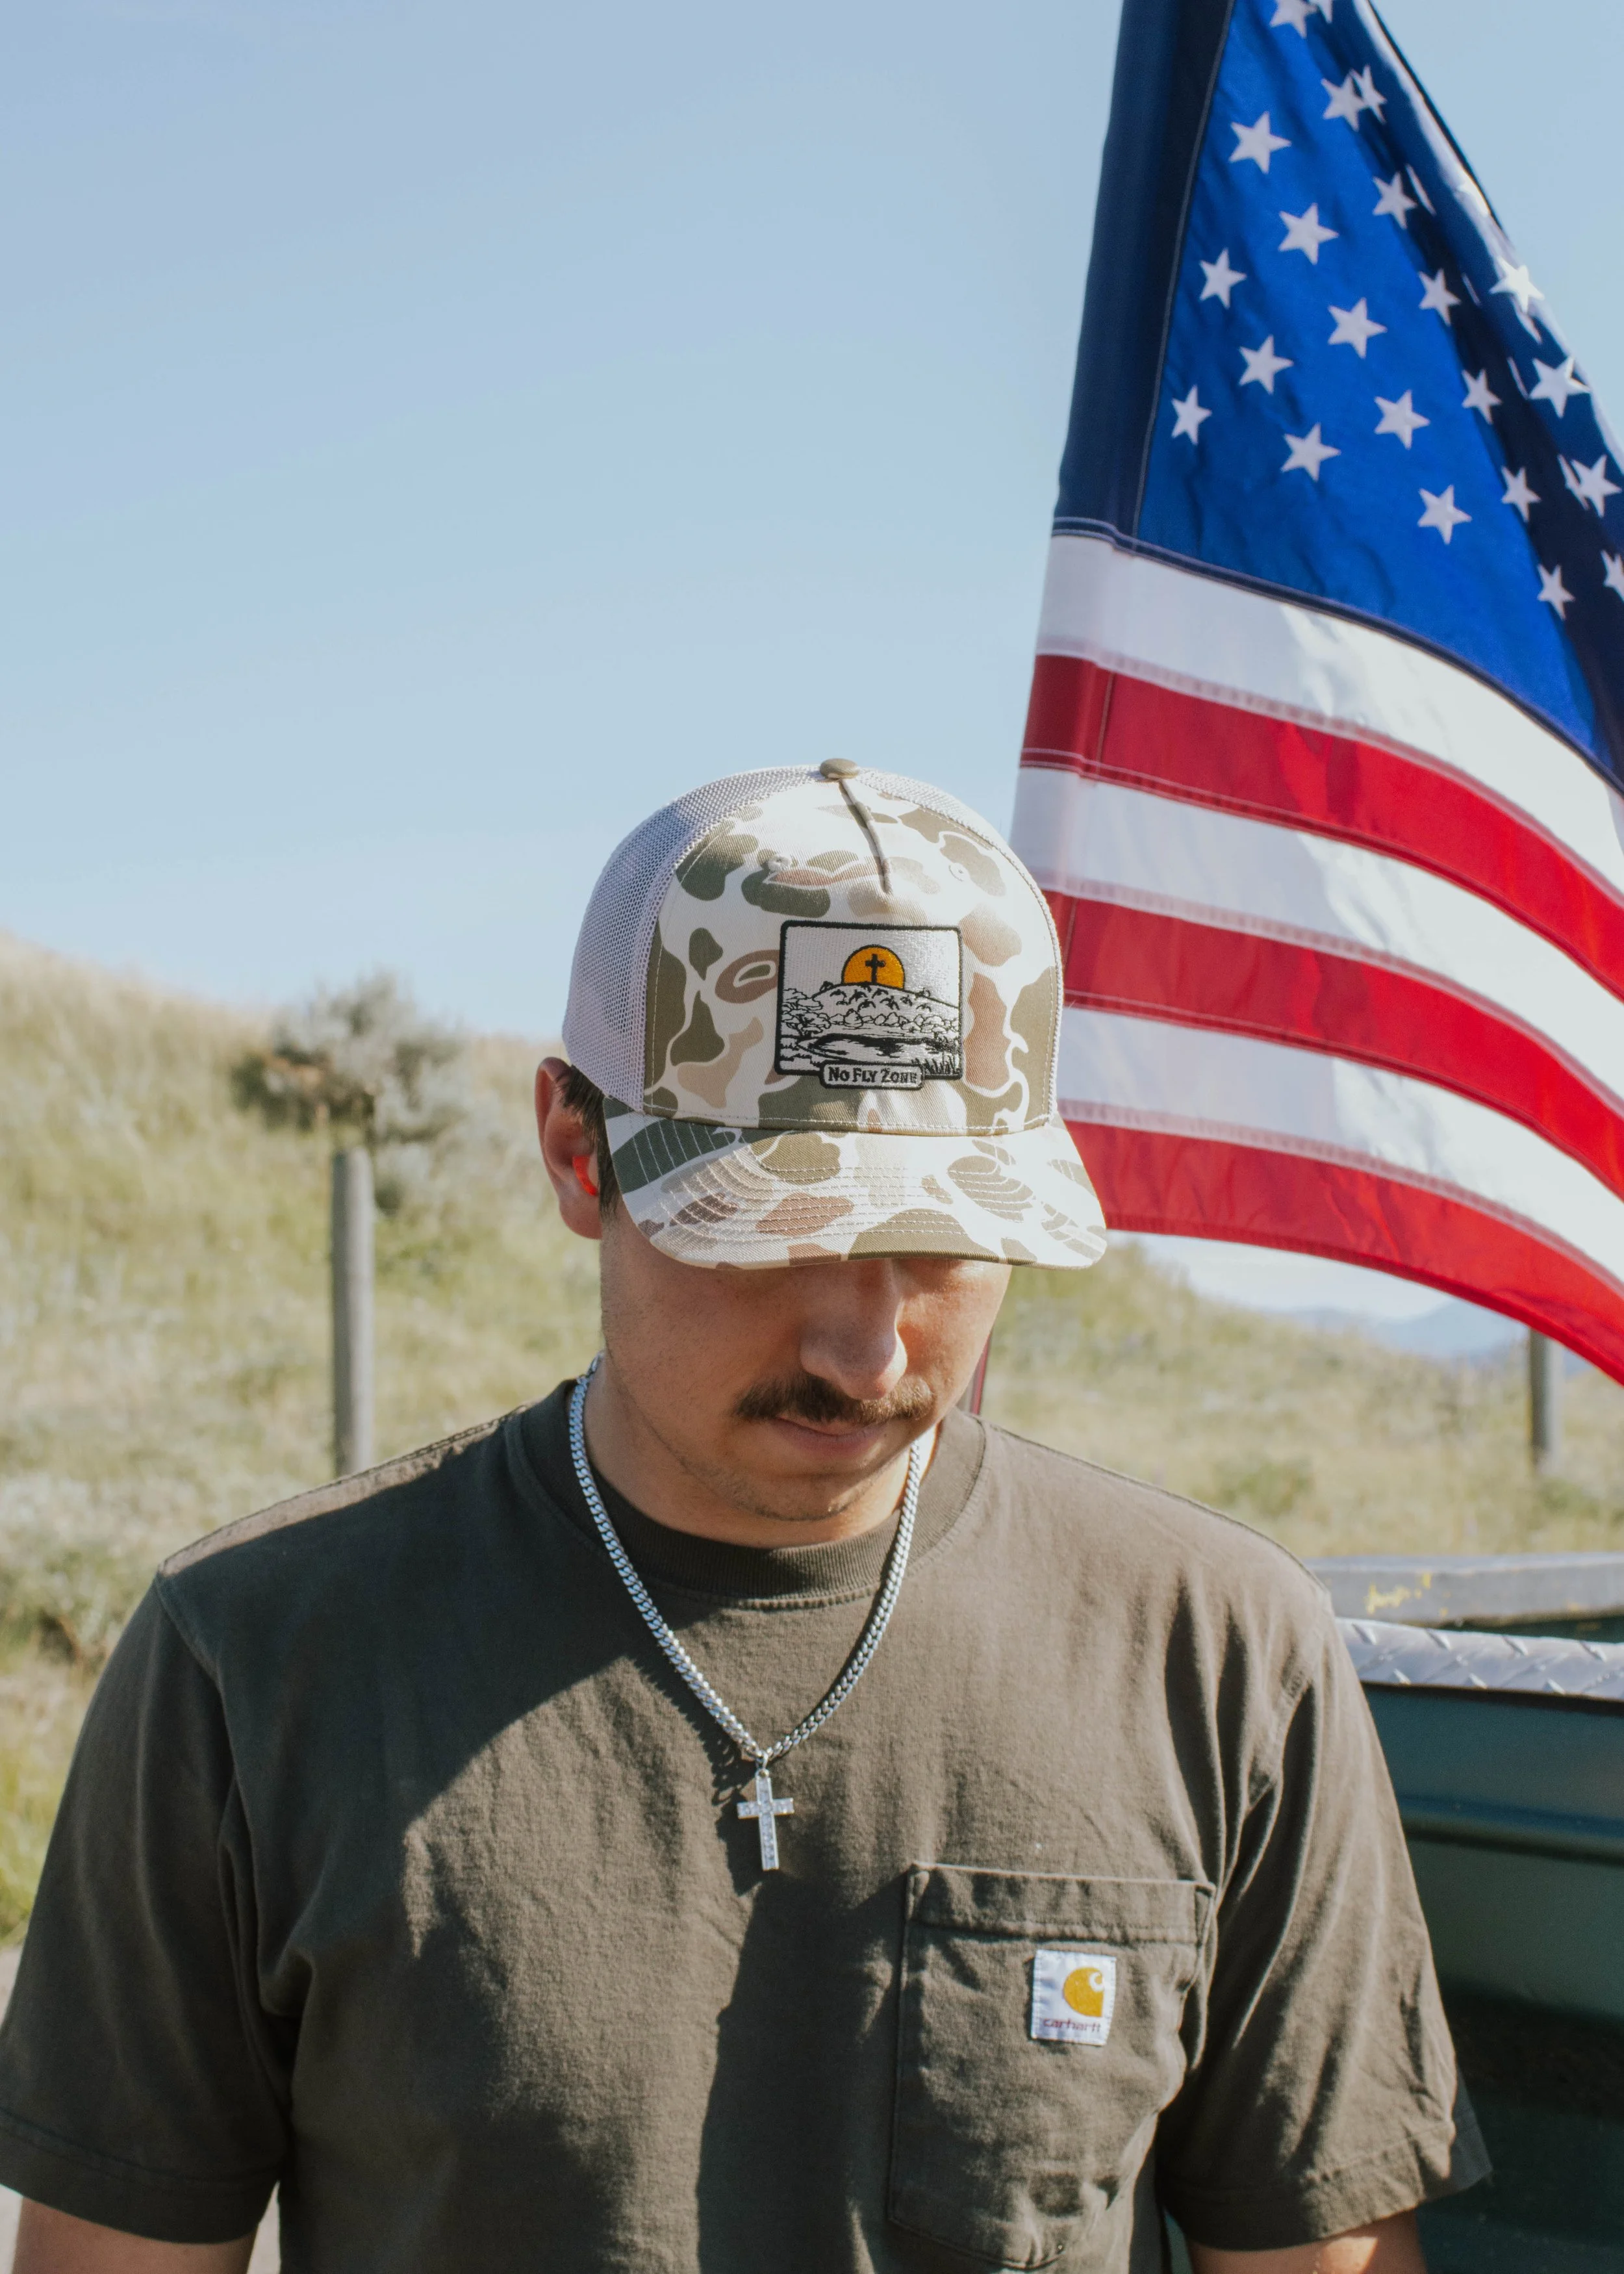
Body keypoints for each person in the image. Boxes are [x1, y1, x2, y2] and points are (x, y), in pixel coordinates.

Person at [0, 763, 1484, 2273]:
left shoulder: (1216, 1655)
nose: (865, 1346)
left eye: (943, 1243)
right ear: (578, 1152)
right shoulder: (255, 1660)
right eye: (773, 1227)